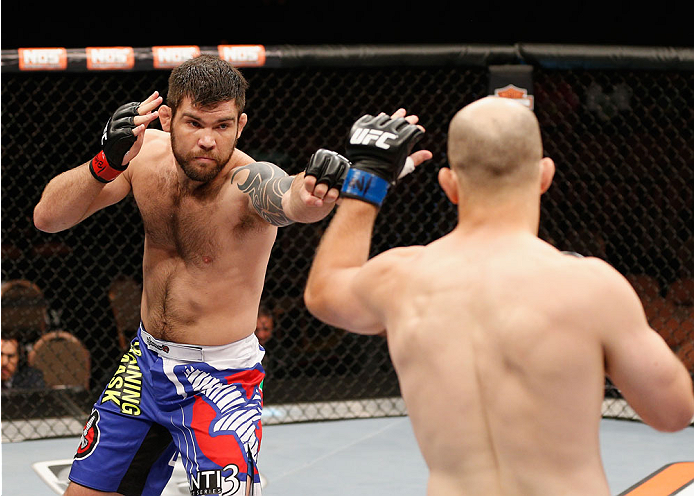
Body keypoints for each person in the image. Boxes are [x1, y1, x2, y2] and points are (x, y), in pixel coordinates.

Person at [304, 96, 694, 495]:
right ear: (545, 176)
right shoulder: (591, 288)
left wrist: (369, 179)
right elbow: (674, 412)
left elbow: (324, 291)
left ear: (449, 185)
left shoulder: (401, 277)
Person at [32, 54, 356, 496]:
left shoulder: (248, 182)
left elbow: (290, 196)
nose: (207, 140)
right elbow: (48, 218)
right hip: (143, 365)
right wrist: (105, 161)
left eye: (221, 126)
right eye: (194, 124)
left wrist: (315, 191)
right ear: (167, 119)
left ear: (240, 126)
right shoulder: (143, 159)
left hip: (218, 379)